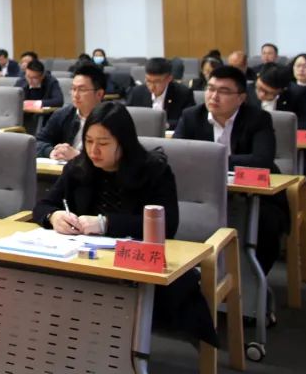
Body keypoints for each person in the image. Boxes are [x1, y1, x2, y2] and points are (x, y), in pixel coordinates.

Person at [33, 102, 216, 346]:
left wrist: (105, 223)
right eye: (88, 141)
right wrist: (54, 216)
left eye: (103, 143)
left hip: (135, 263)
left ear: (124, 141)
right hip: (87, 262)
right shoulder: (78, 167)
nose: (94, 150)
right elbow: (43, 205)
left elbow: (168, 225)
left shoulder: (153, 170)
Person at [174, 65, 286, 274]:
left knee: (267, 222)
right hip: (204, 192)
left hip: (251, 194)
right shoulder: (191, 116)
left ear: (241, 98)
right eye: (210, 88)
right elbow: (179, 156)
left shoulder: (258, 119)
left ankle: (251, 280)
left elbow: (262, 160)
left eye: (223, 91)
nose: (213, 96)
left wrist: (213, 159)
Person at [34, 63, 106, 159]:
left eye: (82, 90)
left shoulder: (111, 118)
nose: (75, 95)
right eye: (73, 89)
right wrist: (51, 152)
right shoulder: (62, 114)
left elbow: (115, 157)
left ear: (99, 94)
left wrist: (77, 156)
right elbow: (37, 142)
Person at [126, 57, 195, 130]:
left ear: (169, 79)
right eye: (148, 81)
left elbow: (189, 120)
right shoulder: (137, 92)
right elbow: (127, 117)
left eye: (157, 82)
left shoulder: (183, 93)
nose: (152, 87)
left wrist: (163, 125)